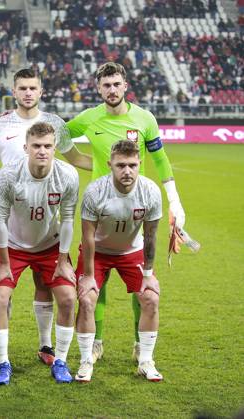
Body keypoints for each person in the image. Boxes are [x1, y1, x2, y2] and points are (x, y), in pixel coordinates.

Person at [67, 62, 185, 362]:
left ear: (125, 85)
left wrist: (174, 199)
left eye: (116, 84)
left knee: (141, 283)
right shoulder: (89, 117)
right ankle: (96, 342)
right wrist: (87, 164)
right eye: (106, 85)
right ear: (98, 88)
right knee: (96, 280)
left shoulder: (144, 118)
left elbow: (160, 159)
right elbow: (60, 136)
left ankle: (138, 343)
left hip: (136, 207)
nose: (112, 90)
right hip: (99, 206)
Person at [0, 68, 90, 367]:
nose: (28, 93)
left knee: (46, 286)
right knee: (2, 289)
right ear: (13, 91)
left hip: (46, 223)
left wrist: (114, 171)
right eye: (22, 88)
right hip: (12, 215)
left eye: (33, 88)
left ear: (41, 91)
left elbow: (76, 159)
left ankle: (47, 346)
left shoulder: (54, 124)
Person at [0, 122, 79, 385]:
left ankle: (58, 358)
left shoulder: (67, 175)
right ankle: (3, 361)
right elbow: (0, 219)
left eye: (48, 146)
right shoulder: (9, 175)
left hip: (49, 245)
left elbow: (68, 219)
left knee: (67, 298)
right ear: (26, 147)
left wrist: (63, 261)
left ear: (55, 148)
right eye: (37, 146)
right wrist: (4, 262)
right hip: (12, 245)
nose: (42, 151)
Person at [74, 139, 163, 382]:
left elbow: (152, 236)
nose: (127, 171)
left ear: (139, 164)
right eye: (121, 165)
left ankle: (145, 360)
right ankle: (85, 361)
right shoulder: (95, 191)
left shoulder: (150, 191)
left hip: (131, 251)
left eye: (132, 165)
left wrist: (148, 274)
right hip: (98, 251)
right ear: (109, 164)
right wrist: (89, 276)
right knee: (87, 299)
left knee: (151, 298)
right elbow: (88, 236)